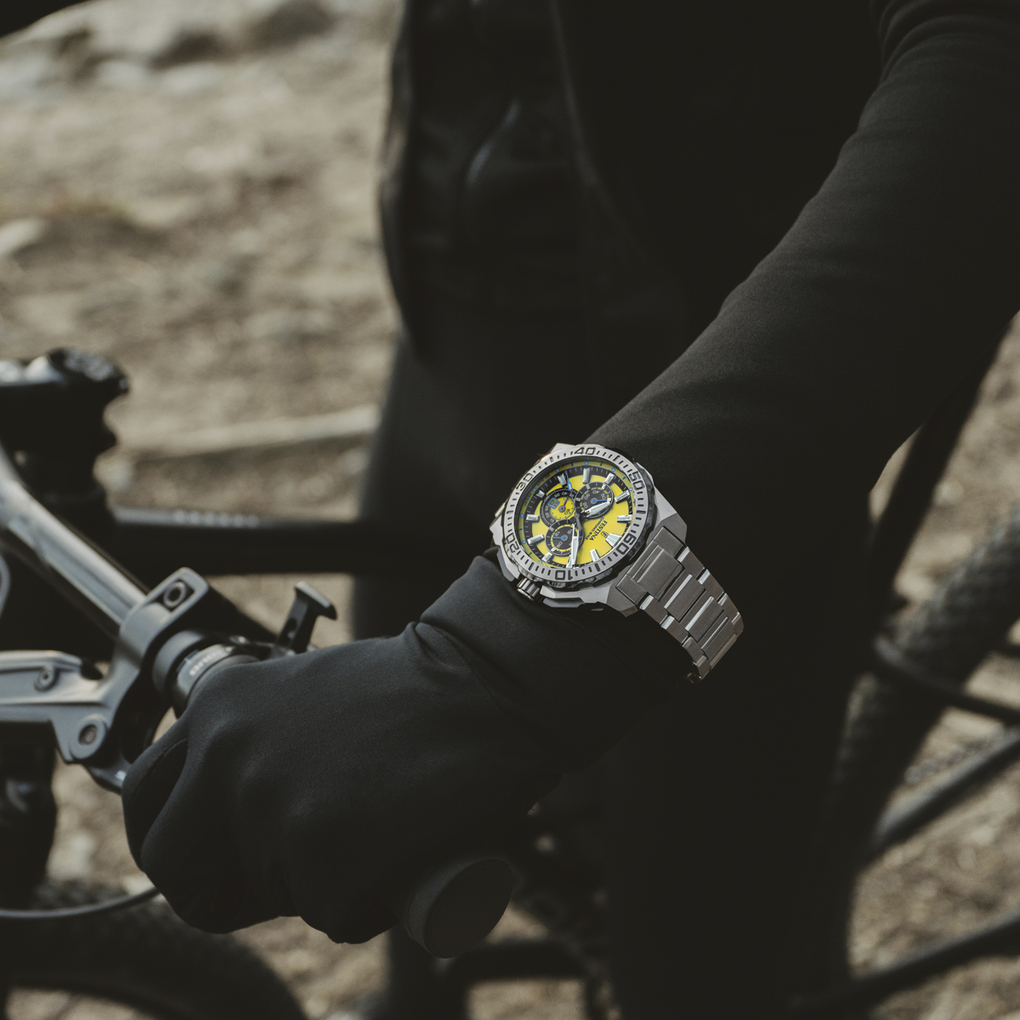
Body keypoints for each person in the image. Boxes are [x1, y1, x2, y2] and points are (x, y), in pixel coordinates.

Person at [10, 0, 1020, 1015]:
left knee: (700, 986)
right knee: (406, 933)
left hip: (730, 388)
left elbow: (990, 63)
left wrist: (505, 656)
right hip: (457, 332)